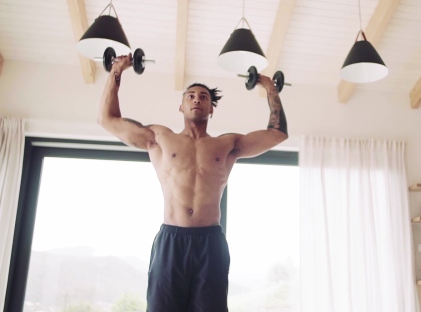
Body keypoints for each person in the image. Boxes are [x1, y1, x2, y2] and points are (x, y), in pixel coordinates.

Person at [97, 54, 288, 311]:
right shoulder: (158, 138)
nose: (197, 99)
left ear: (211, 109)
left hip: (210, 242)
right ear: (181, 107)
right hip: (171, 239)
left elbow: (277, 134)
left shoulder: (228, 144)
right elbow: (107, 119)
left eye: (204, 97)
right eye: (191, 95)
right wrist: (117, 71)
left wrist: (271, 89)